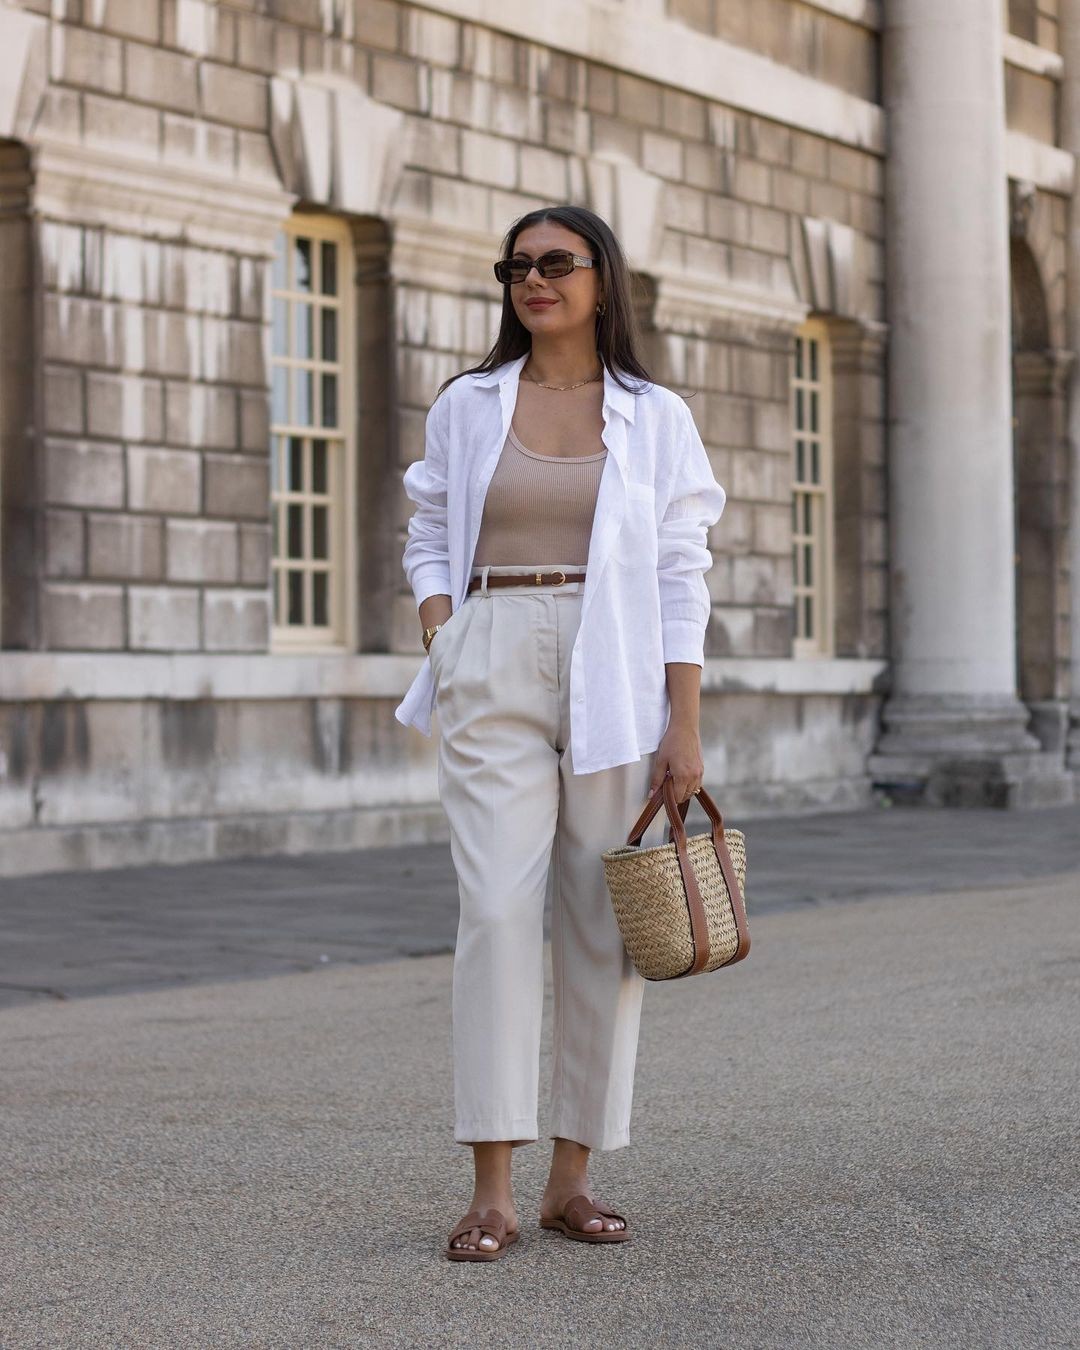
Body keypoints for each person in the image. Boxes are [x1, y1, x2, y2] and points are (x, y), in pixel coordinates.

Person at [393, 204, 727, 1261]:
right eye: (516, 266)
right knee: (494, 908)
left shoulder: (654, 415)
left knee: (598, 921)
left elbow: (682, 573)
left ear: (599, 279)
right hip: (493, 648)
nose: (533, 280)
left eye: (555, 263)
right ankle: (491, 1187)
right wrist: (445, 637)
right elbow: (426, 528)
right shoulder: (470, 404)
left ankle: (570, 1180)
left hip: (616, 663)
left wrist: (685, 725)